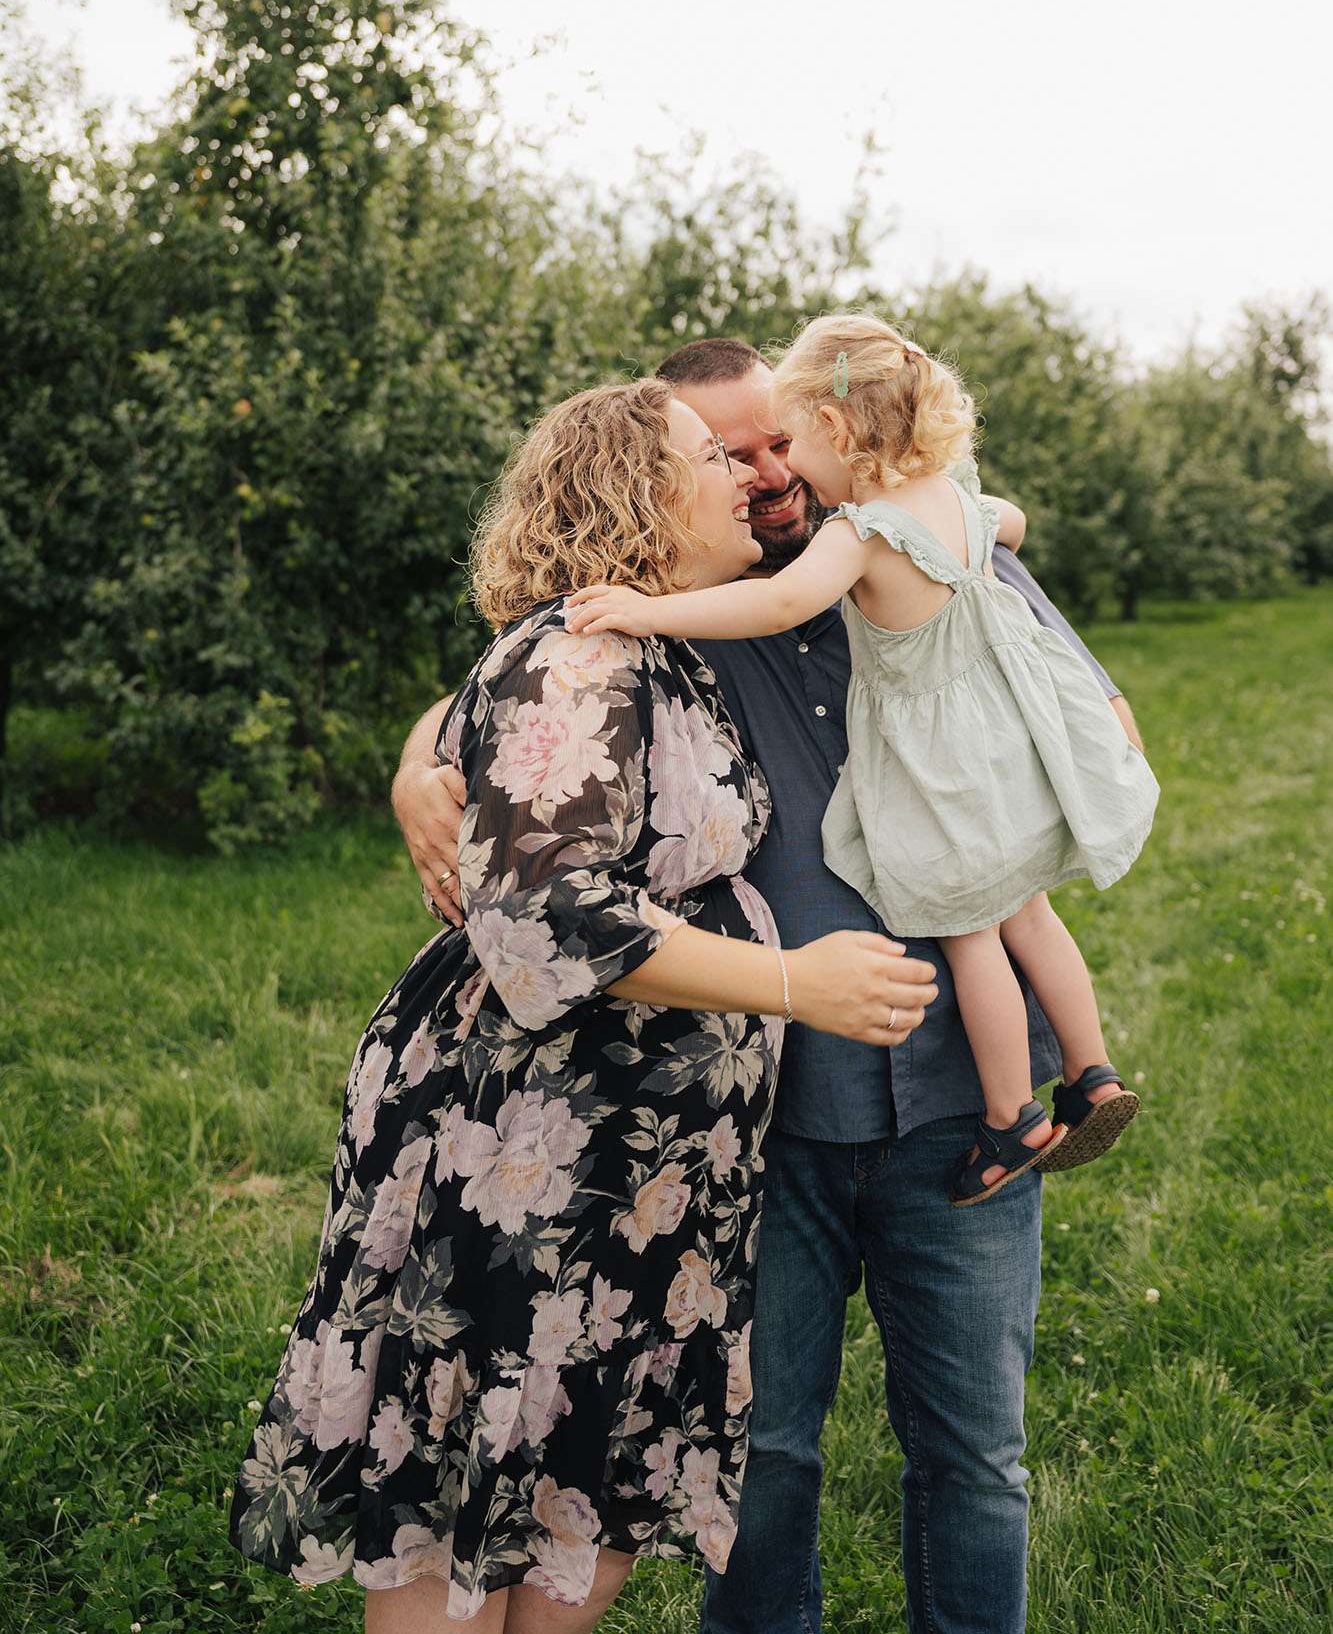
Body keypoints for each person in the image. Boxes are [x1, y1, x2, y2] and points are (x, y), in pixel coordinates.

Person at [395, 335, 1146, 1634]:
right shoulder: (687, 596)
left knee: (976, 1453)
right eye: (727, 455)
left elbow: (1101, 713)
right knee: (761, 1448)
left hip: (963, 1097)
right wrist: (414, 766)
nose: (761, 474)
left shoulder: (922, 543)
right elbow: (518, 672)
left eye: (771, 442)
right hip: (761, 1112)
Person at [231, 377, 935, 1634]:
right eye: (711, 455)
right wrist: (794, 983)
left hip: (630, 1168)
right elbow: (543, 909)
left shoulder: (657, 644)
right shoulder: (581, 655)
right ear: (639, 492)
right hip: (533, 1155)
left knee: (573, 1489)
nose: (746, 478)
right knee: (467, 1487)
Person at [566, 314, 1159, 1207]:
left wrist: (644, 612)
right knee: (1029, 916)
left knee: (970, 933)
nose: (780, 472)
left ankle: (1009, 1117)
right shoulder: (957, 503)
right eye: (733, 456)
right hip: (997, 768)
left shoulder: (861, 534)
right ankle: (1092, 1072)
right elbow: (1013, 521)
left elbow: (781, 602)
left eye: (788, 442)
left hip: (935, 780)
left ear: (833, 429)